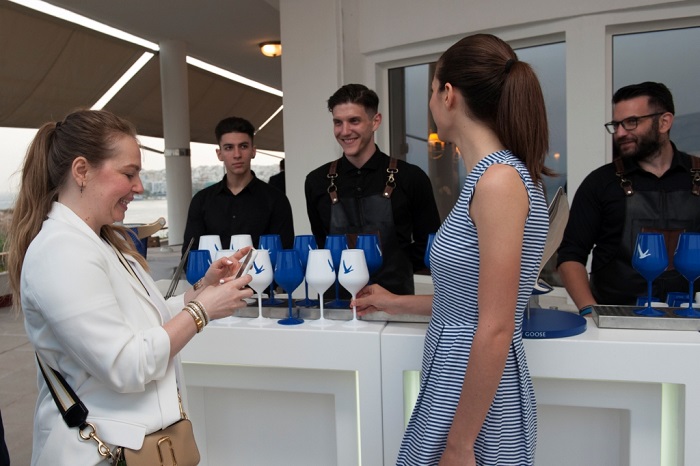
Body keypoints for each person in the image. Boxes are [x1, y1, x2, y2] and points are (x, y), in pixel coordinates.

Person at [6, 109, 254, 465]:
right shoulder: (60, 251)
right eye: (129, 174)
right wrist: (202, 311)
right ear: (82, 171)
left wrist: (201, 289)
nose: (139, 186)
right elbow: (125, 364)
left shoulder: (100, 242)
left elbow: (145, 322)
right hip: (99, 453)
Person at [353, 34, 550, 466]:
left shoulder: (498, 181)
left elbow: (496, 326)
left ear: (448, 94)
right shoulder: (491, 177)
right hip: (454, 381)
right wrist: (395, 303)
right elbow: (471, 302)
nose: (430, 103)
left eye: (431, 91)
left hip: (474, 395)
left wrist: (460, 444)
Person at [556, 82, 700, 312]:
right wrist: (590, 311)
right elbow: (570, 256)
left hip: (692, 323)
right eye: (616, 125)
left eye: (631, 122)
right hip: (615, 321)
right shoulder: (600, 182)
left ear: (664, 122)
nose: (621, 133)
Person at [305, 84, 440, 295]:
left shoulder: (411, 177)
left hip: (396, 300)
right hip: (337, 303)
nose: (344, 131)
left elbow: (430, 243)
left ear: (375, 121)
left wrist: (397, 266)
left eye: (354, 121)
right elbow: (322, 243)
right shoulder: (316, 181)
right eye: (338, 122)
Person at [182, 116, 294, 255]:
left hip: (261, 270)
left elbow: (285, 255)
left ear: (253, 151)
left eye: (243, 146)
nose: (237, 154)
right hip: (214, 270)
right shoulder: (201, 201)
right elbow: (189, 256)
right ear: (219, 154)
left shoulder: (276, 200)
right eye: (229, 148)